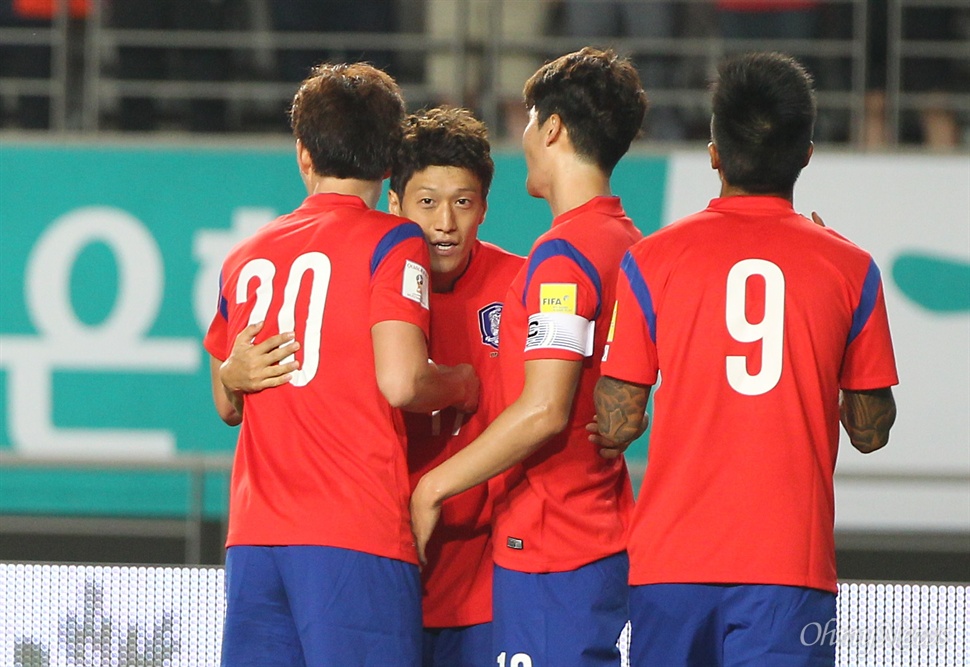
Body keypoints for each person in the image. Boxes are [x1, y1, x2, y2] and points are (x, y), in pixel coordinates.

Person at [593, 51, 898, 666]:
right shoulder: (850, 268)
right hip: (790, 568)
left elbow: (619, 422)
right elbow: (870, 431)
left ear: (714, 151)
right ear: (807, 153)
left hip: (669, 566)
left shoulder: (651, 260)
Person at [203, 62, 479, 667]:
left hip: (255, 541)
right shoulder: (392, 240)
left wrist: (229, 375)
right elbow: (403, 379)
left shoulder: (245, 257)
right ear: (389, 163)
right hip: (353, 534)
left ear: (303, 155)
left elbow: (226, 401)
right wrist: (461, 382)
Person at [410, 47, 648, 666]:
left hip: (553, 541)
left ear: (553, 128)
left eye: (528, 120)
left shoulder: (563, 257)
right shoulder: (628, 241)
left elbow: (544, 409)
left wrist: (432, 488)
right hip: (601, 530)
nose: (522, 137)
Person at [389, 107, 525, 667]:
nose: (445, 221)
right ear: (393, 204)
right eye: (427, 202)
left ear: (485, 207)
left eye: (462, 202)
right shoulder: (361, 290)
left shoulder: (524, 285)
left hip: (491, 580)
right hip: (389, 566)